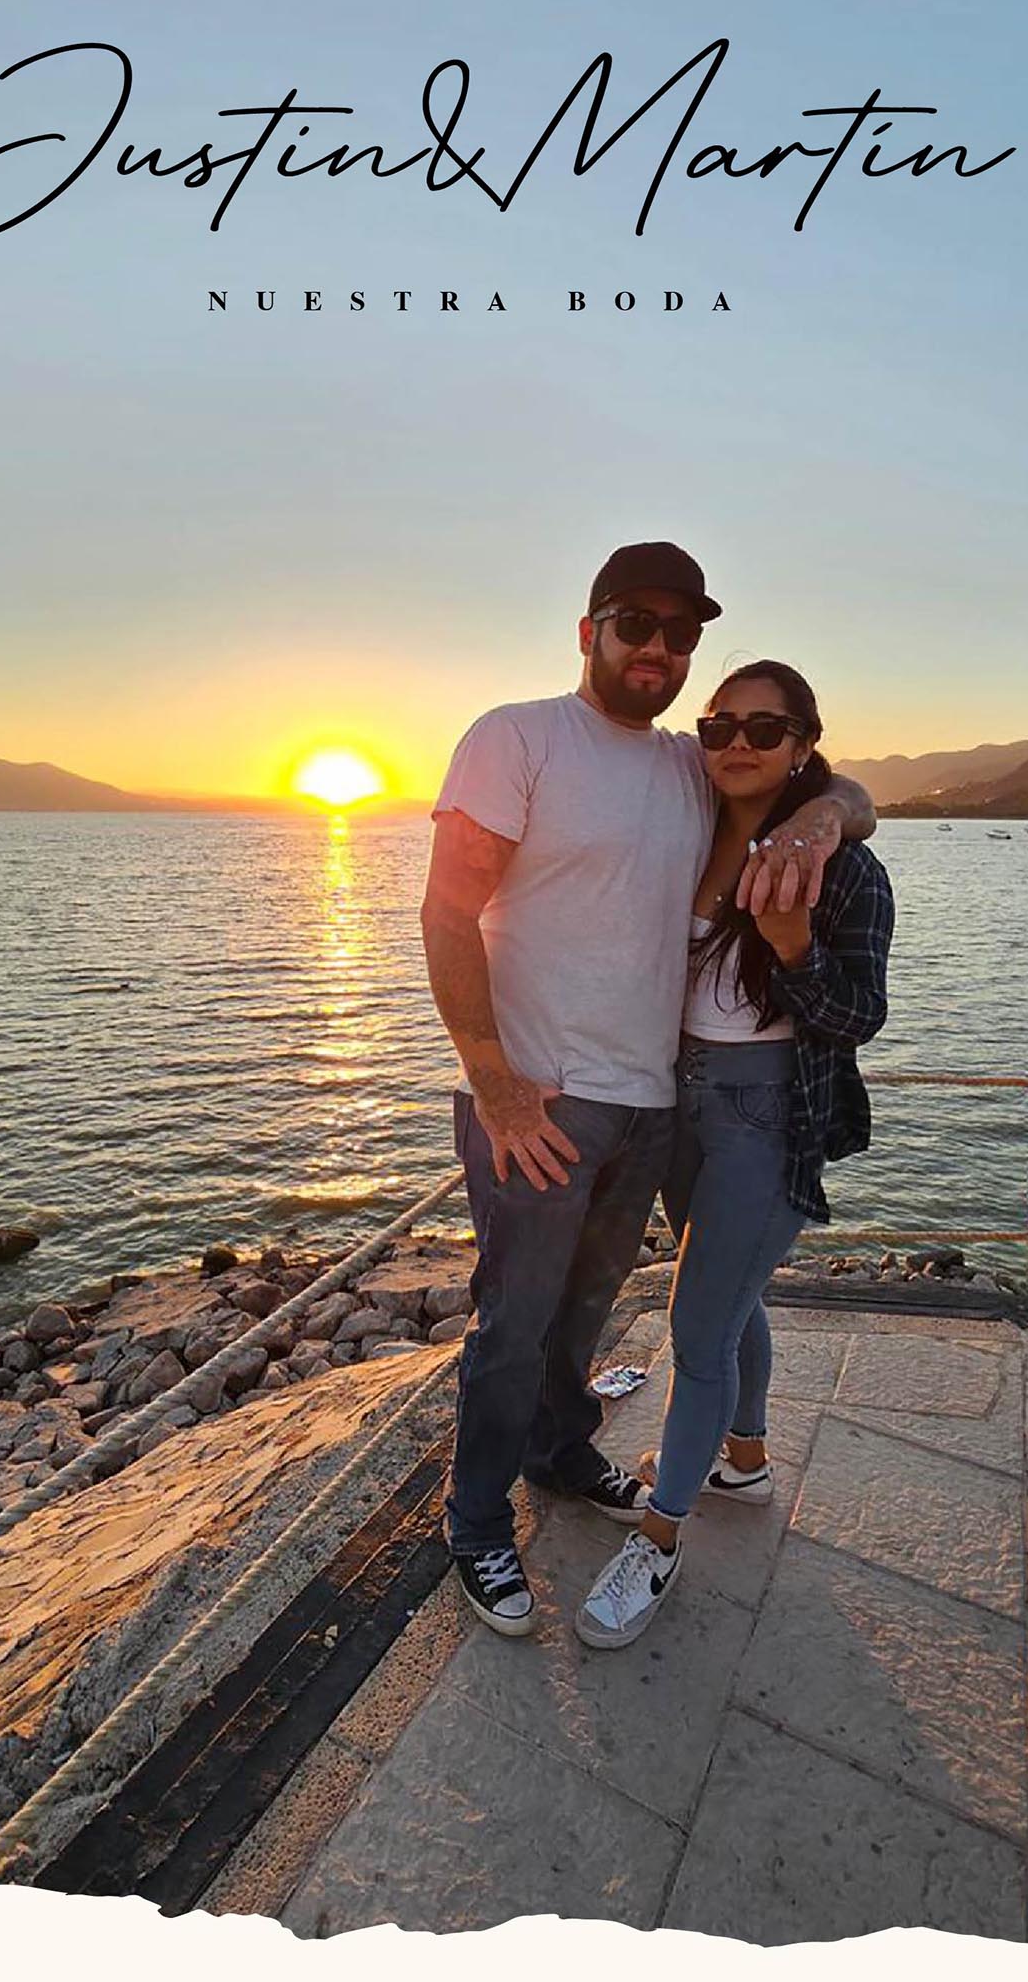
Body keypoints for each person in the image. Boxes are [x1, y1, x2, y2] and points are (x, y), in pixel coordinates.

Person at [420, 550, 877, 1638]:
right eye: (636, 623)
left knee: (584, 1312)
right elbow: (446, 911)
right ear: (589, 631)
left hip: (650, 1103)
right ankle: (475, 1519)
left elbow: (836, 789)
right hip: (542, 1101)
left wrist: (824, 816)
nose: (658, 649)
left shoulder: (689, 763)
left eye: (681, 634)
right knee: (513, 1321)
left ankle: (559, 1452)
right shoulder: (516, 737)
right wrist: (495, 1084)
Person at [575, 661, 894, 1649]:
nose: (737, 743)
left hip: (768, 1112)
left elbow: (859, 1016)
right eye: (719, 725)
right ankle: (742, 1461)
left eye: (765, 727)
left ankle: (662, 1533)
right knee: (732, 1299)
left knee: (697, 1325)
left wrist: (792, 944)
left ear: (803, 742)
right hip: (680, 1098)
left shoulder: (844, 868)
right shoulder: (688, 827)